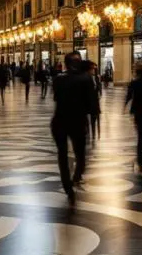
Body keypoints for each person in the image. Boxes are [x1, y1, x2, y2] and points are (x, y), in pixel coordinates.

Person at [51, 52, 97, 203]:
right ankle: (76, 177)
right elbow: (91, 103)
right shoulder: (86, 79)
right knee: (80, 155)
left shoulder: (58, 79)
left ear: (65, 64)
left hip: (59, 121)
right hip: (77, 121)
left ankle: (67, 186)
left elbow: (56, 97)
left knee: (62, 155)